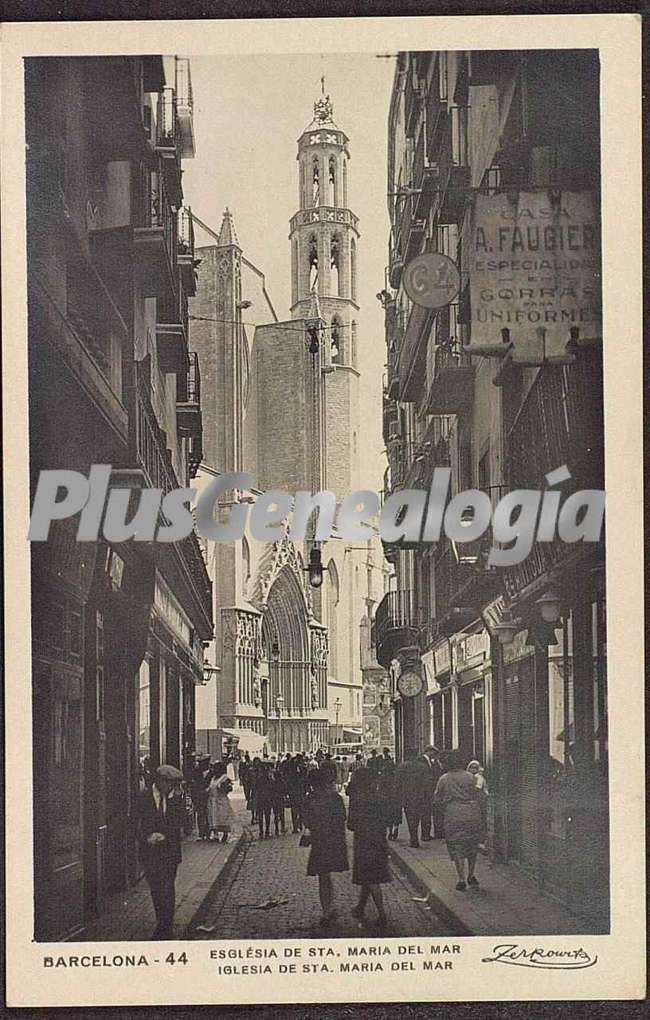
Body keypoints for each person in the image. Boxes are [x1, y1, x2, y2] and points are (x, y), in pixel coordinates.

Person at [137, 764, 185, 939]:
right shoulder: (143, 797)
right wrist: (146, 837)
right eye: (170, 783)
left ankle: (166, 925)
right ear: (160, 781)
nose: (172, 787)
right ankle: (162, 921)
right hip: (150, 853)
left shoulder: (174, 799)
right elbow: (135, 824)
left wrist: (165, 835)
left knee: (168, 887)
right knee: (156, 889)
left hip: (169, 852)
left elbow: (181, 824)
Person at [302, 764, 349, 927]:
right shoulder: (335, 797)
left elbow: (307, 819)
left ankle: (326, 911)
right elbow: (342, 817)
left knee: (323, 876)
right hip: (334, 840)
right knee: (326, 876)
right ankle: (330, 908)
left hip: (320, 841)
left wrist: (311, 830)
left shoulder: (310, 798)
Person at [347, 767, 391, 928]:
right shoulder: (380, 797)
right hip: (379, 840)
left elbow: (351, 824)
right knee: (369, 876)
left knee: (371, 878)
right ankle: (360, 908)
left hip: (364, 841)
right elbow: (387, 819)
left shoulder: (357, 799)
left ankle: (382, 914)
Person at [434, 750, 483, 890]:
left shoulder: (444, 778)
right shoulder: (470, 777)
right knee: (472, 845)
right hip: (471, 813)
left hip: (453, 813)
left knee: (457, 846)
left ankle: (461, 879)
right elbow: (477, 793)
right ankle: (471, 875)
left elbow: (437, 798)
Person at [398, 750, 435, 848]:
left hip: (408, 797)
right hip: (422, 797)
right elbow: (428, 782)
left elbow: (397, 783)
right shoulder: (423, 767)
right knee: (420, 816)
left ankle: (413, 837)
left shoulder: (402, 766)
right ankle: (422, 835)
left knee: (411, 818)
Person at [207, 764, 235, 843]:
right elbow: (210, 788)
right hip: (213, 801)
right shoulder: (213, 778)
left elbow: (229, 788)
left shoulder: (224, 778)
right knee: (213, 817)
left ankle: (225, 834)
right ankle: (215, 835)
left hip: (221, 801)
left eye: (216, 769)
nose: (214, 770)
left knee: (222, 817)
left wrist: (223, 788)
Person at [467, 759, 489, 849]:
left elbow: (478, 788)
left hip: (480, 801)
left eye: (475, 768)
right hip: (474, 801)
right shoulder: (470, 777)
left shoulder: (478, 777)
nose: (473, 769)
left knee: (480, 819)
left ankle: (481, 840)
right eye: (471, 768)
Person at [191, 754, 212, 840]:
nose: (201, 765)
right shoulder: (196, 772)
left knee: (208, 815)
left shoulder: (211, 772)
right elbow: (193, 784)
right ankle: (201, 834)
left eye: (202, 763)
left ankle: (208, 833)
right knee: (200, 814)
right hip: (199, 796)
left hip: (208, 797)